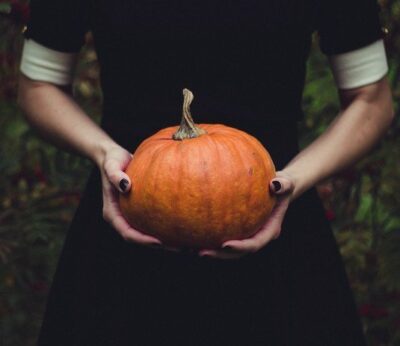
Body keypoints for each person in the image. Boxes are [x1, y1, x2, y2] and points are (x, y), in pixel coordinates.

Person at [17, 0, 394, 345]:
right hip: (127, 215)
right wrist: (104, 154)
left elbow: (371, 100)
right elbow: (38, 85)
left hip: (275, 221)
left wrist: (293, 180)